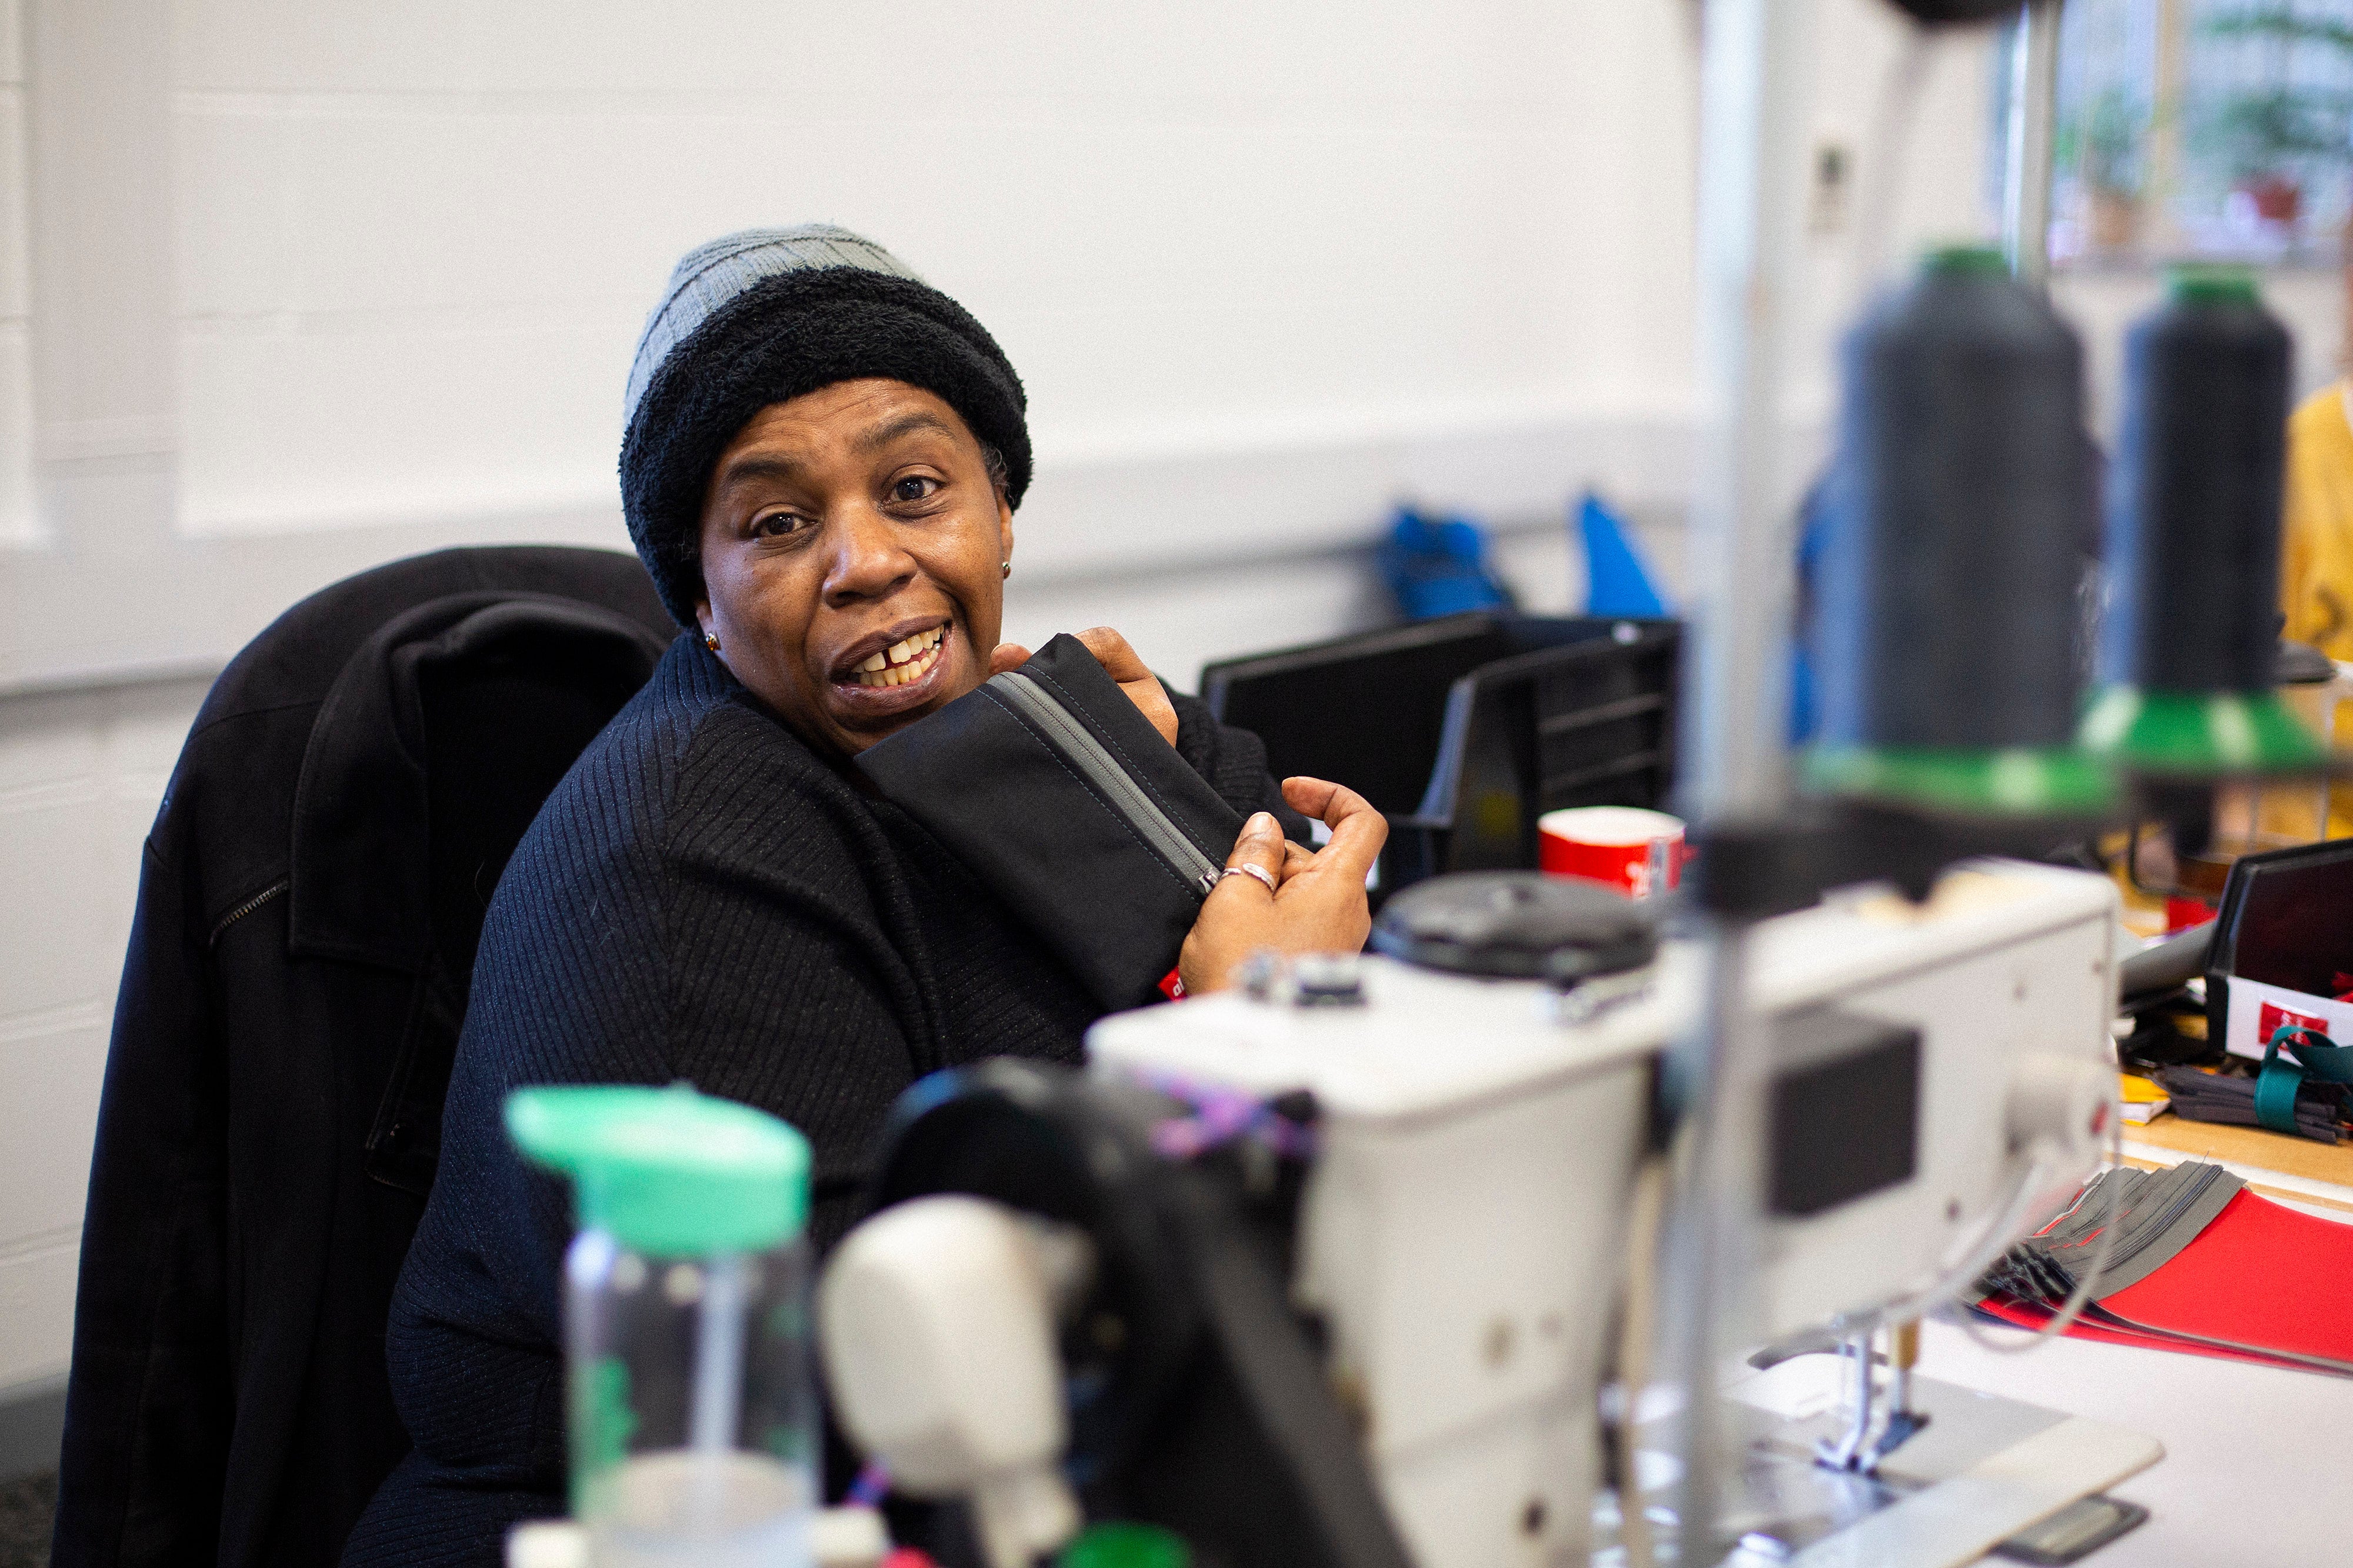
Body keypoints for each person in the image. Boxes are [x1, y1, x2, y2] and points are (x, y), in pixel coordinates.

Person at [342, 226, 1385, 1563]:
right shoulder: (685, 860)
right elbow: (877, 1387)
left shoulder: (997, 730)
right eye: (777, 523)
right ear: (701, 603)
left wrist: (1134, 777)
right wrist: (1232, 1031)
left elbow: (1283, 848)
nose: (864, 561)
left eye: (912, 486)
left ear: (1001, 510)